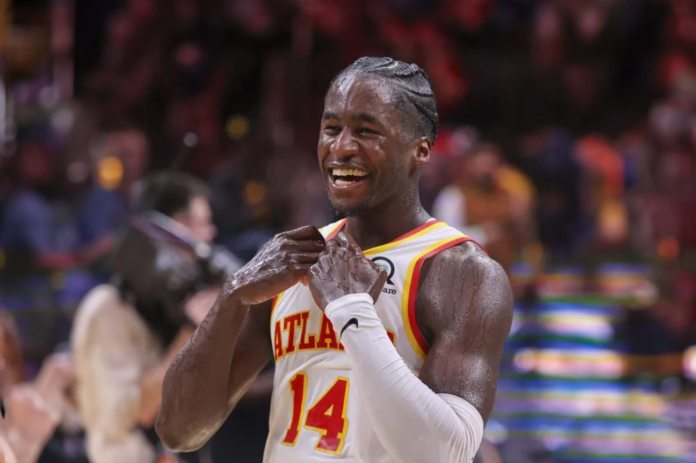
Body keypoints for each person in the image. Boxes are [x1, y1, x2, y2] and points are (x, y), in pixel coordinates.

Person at [156, 56, 513, 462]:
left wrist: (352, 313)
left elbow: (443, 452)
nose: (341, 147)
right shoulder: (290, 260)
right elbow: (178, 430)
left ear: (421, 150)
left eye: (366, 131)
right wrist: (232, 296)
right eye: (331, 128)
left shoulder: (460, 272)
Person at [71, 171, 230, 463]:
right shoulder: (107, 308)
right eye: (201, 223)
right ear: (170, 229)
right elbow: (138, 412)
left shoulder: (167, 306)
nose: (209, 235)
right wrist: (192, 332)